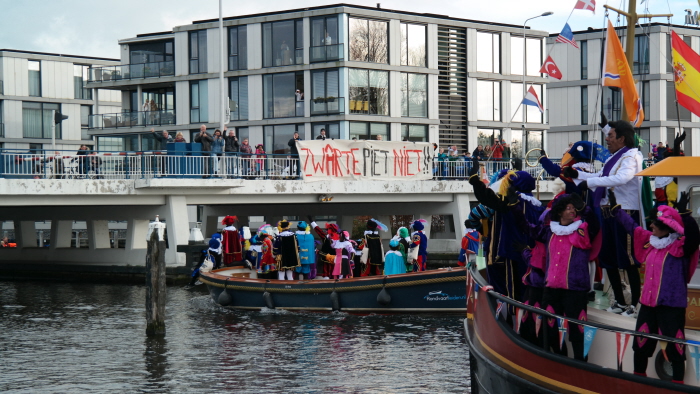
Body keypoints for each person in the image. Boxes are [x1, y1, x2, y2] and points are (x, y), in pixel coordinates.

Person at [610, 190, 699, 384]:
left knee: (676, 350)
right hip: (648, 306)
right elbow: (632, 228)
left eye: (654, 224)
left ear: (666, 227)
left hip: (671, 307)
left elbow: (693, 236)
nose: (650, 226)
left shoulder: (680, 247)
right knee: (640, 347)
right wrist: (617, 210)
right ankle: (638, 384)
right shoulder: (650, 242)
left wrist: (685, 215)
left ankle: (677, 388)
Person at [563, 119, 643, 317]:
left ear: (622, 138)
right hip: (608, 211)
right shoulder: (615, 157)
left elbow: (622, 178)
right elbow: (601, 174)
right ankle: (620, 302)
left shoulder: (631, 156)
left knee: (628, 260)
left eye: (610, 135)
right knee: (608, 259)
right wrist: (577, 175)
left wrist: (588, 183)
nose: (606, 139)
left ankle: (635, 305)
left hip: (625, 212)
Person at [513, 193, 598, 361]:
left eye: (574, 208)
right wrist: (514, 208)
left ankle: (581, 365)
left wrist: (583, 206)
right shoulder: (549, 231)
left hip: (575, 290)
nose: (572, 211)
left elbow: (594, 223)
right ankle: (559, 360)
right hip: (551, 289)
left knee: (577, 331)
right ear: (559, 212)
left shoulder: (583, 230)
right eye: (568, 208)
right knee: (550, 329)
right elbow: (527, 227)